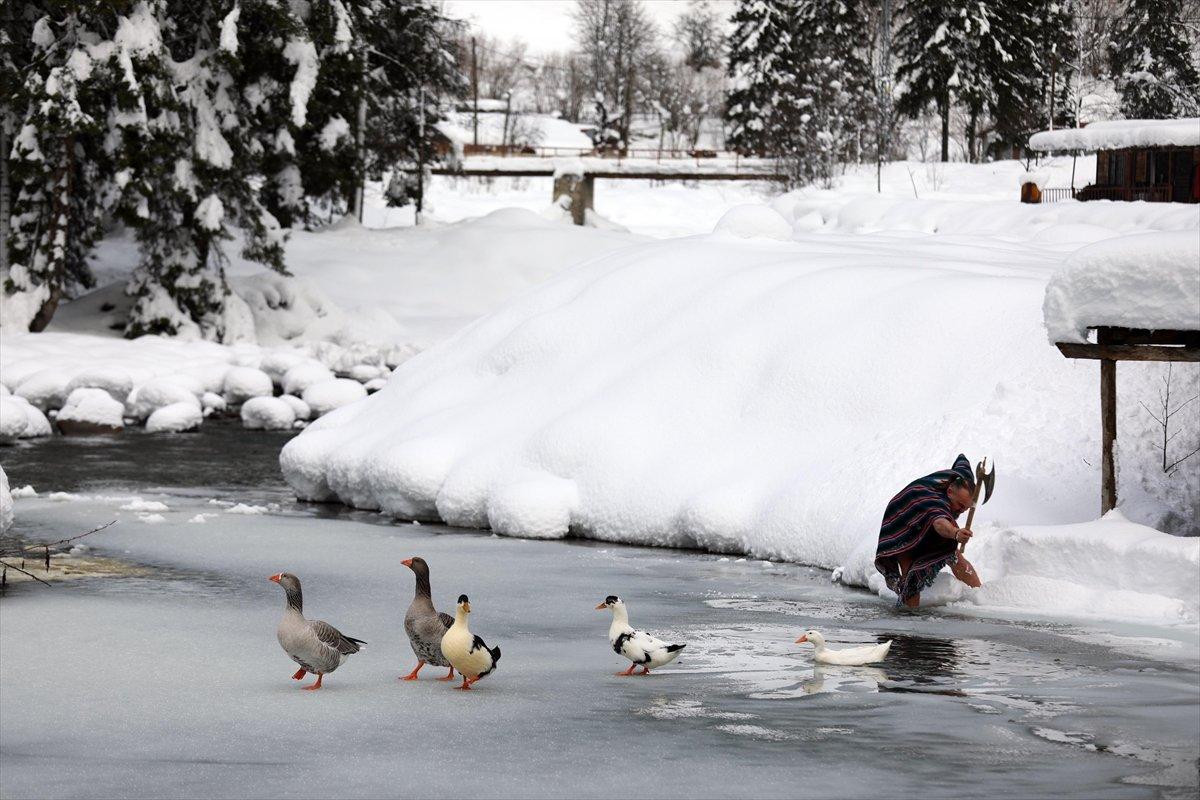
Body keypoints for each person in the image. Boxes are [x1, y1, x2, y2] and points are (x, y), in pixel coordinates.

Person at [874, 454, 982, 609]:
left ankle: (981, 595)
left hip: (928, 519)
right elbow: (940, 523)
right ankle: (910, 617)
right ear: (949, 492)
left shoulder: (960, 479)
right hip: (903, 520)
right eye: (960, 505)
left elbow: (961, 461)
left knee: (955, 556)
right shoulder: (935, 502)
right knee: (909, 571)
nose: (962, 510)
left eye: (966, 507)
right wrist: (956, 533)